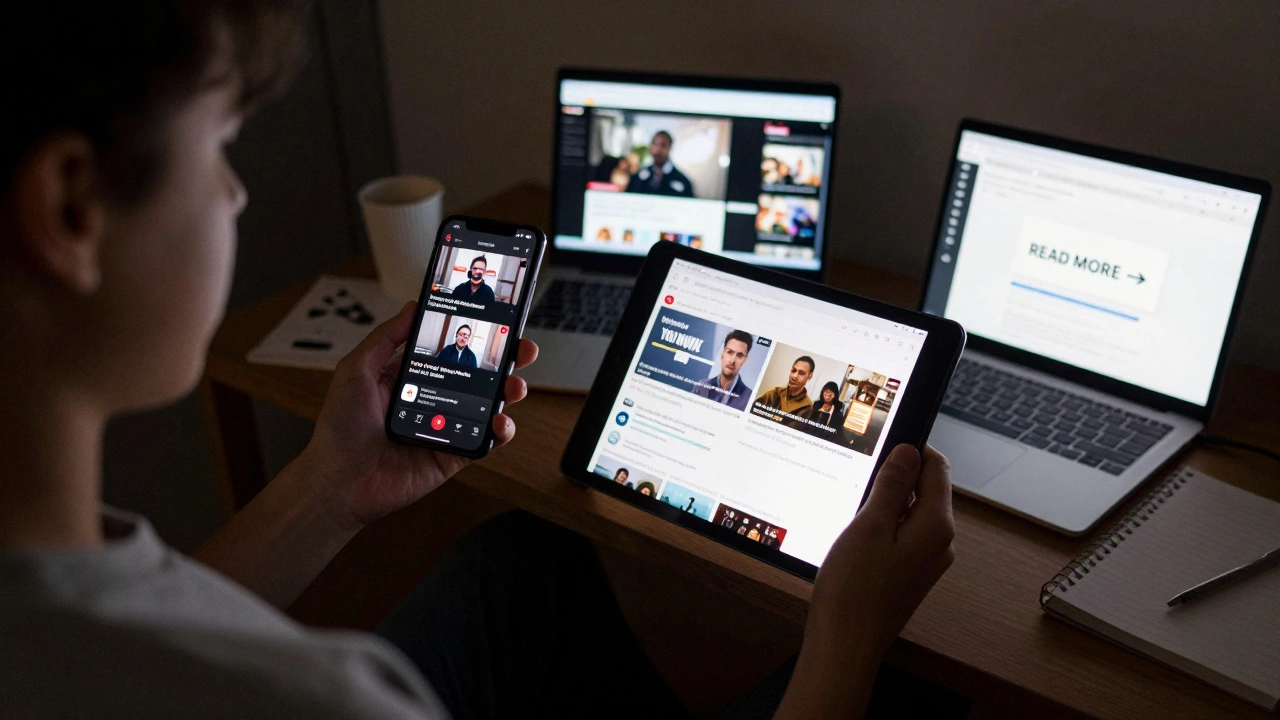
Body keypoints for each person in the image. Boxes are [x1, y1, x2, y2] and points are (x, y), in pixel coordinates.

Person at [1, 4, 957, 719]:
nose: (235, 194)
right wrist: (846, 643)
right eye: (219, 145)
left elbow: (130, 649)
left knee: (528, 559)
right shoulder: (330, 699)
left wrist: (327, 488)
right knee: (913, 694)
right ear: (70, 207)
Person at [693, 330, 754, 410]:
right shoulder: (701, 386)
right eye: (730, 352)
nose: (732, 360)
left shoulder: (749, 398)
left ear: (744, 360)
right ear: (722, 354)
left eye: (739, 355)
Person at [626, 131, 694, 197]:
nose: (658, 149)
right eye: (655, 144)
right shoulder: (637, 178)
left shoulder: (682, 181)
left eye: (663, 145)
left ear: (669, 148)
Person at [755, 356, 816, 426]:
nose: (795, 376)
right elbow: (754, 409)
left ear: (809, 377)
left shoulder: (807, 407)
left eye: (801, 373)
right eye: (793, 371)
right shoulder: (776, 392)